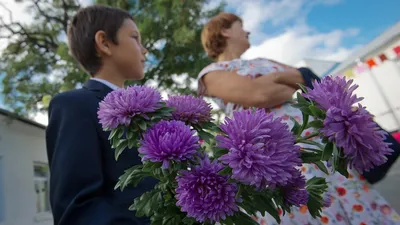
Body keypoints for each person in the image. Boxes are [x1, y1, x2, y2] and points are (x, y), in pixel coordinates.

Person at [198, 12, 400, 224]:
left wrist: (270, 78)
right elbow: (260, 95)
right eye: (241, 26)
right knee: (311, 207)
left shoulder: (263, 61)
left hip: (321, 145)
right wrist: (279, 83)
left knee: (354, 200)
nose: (247, 31)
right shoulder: (210, 73)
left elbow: (302, 77)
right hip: (270, 155)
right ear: (225, 30)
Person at [45, 5, 157, 225]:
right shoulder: (73, 105)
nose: (144, 50)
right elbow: (77, 210)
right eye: (135, 38)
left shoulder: (152, 112)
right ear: (105, 43)